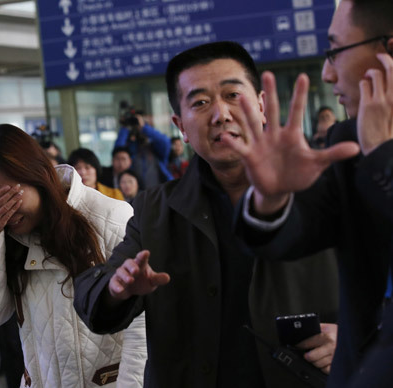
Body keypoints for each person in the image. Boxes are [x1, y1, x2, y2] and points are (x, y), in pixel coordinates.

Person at [73, 41, 340, 388]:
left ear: (260, 106)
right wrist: (117, 288)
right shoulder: (155, 210)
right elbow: (95, 297)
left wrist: (351, 336)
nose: (221, 114)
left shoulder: (322, 189)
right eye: (200, 102)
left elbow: (376, 288)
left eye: (233, 95)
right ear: (180, 125)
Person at [223, 0, 393, 386]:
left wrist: (384, 157)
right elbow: (290, 235)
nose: (327, 73)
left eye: (334, 51)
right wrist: (271, 199)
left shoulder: (371, 149)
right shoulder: (347, 144)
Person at [0, 124, 146, 388]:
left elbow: (142, 326)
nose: (5, 211)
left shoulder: (111, 216)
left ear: (37, 175)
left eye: (11, 196)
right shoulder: (4, 237)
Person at [114, 108, 173, 188]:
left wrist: (143, 127)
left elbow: (165, 142)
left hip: (160, 192)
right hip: (136, 195)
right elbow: (118, 151)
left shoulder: (155, 149)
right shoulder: (129, 148)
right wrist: (125, 127)